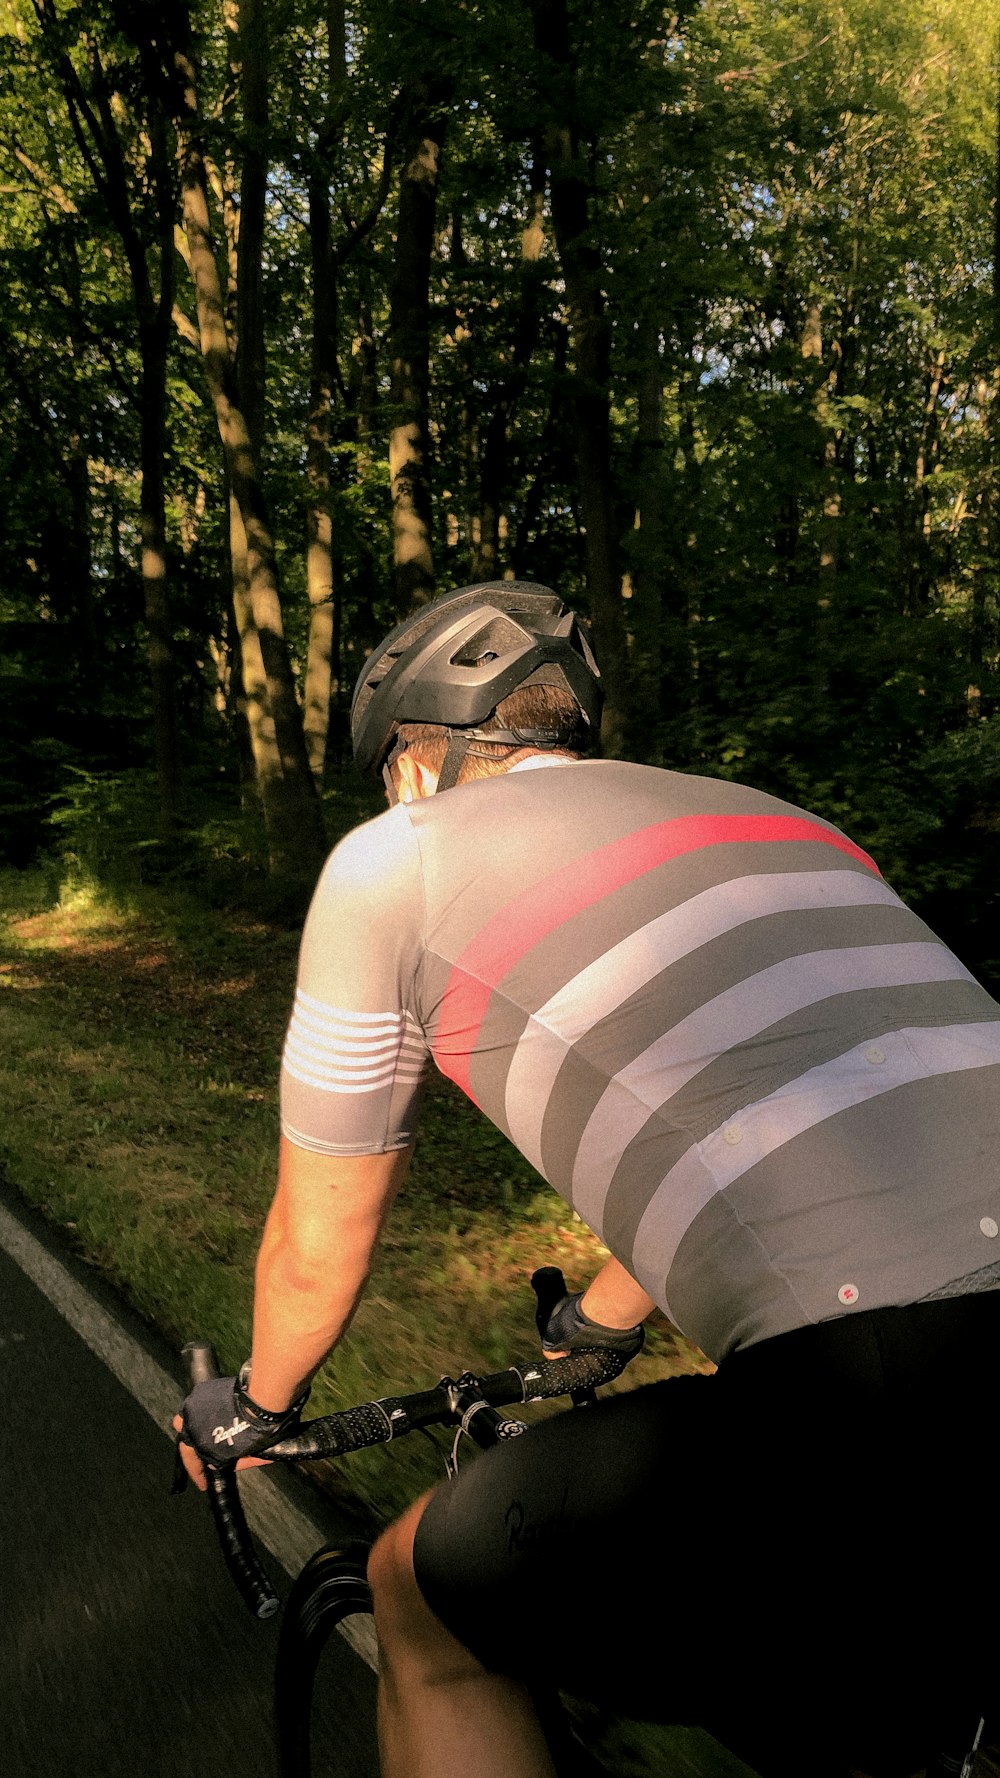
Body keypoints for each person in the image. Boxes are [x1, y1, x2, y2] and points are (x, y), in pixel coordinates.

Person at [177, 581, 1000, 1778]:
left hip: (889, 1376)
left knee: (422, 1600)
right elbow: (787, 1105)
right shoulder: (784, 822)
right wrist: (601, 1322)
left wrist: (251, 1411)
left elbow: (315, 1245)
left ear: (412, 762)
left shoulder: (393, 858)